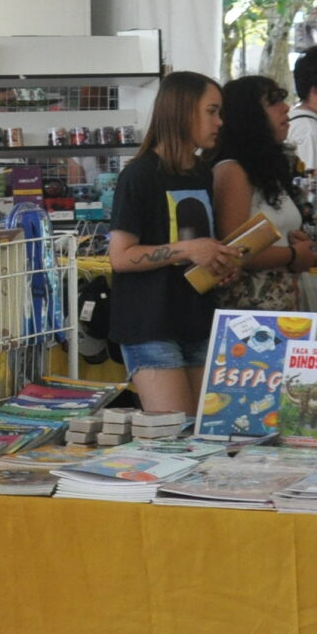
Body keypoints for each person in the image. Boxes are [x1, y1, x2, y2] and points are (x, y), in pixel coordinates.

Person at [105, 71, 241, 416]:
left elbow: (199, 249)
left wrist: (218, 263)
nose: (220, 122)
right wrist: (188, 249)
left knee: (201, 433)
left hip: (197, 319)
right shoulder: (139, 175)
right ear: (182, 111)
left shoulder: (200, 172)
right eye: (211, 111)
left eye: (220, 112)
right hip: (150, 324)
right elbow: (119, 257)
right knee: (175, 436)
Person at [210, 74, 317, 312]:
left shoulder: (266, 170)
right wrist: (292, 255)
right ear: (250, 116)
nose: (286, 108)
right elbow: (234, 250)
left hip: (281, 301)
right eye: (274, 102)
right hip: (251, 310)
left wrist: (298, 242)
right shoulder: (233, 171)